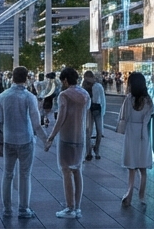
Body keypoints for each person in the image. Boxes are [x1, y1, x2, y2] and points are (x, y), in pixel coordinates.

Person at [0, 66, 42, 219]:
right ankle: (23, 209)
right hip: (26, 139)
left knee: (7, 174)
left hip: (8, 140)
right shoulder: (29, 97)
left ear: (12, 78)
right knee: (25, 175)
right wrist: (47, 140)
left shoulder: (3, 96)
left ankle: (7, 209)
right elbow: (36, 123)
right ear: (26, 78)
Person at [47, 67, 88, 218]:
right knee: (78, 171)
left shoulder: (64, 95)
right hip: (80, 138)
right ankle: (77, 207)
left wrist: (51, 137)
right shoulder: (85, 94)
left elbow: (61, 118)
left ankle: (69, 207)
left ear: (65, 80)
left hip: (66, 138)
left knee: (66, 172)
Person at [118, 72, 153, 207]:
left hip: (131, 132)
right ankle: (142, 196)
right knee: (143, 169)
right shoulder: (148, 101)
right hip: (142, 133)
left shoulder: (129, 99)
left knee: (131, 168)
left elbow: (124, 116)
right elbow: (148, 117)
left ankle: (129, 194)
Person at [83, 70, 105, 161]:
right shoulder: (84, 87)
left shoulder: (98, 86)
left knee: (99, 132)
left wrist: (103, 112)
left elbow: (103, 100)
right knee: (88, 131)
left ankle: (97, 148)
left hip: (97, 108)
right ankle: (88, 152)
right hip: (88, 109)